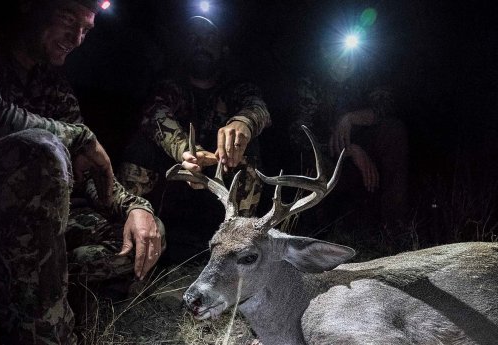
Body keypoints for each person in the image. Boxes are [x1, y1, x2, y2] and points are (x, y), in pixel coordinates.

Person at [0, 0, 165, 343]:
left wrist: (136, 207)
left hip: (40, 228)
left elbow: (87, 170)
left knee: (140, 236)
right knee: (41, 150)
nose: (75, 37)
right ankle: (45, 329)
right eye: (67, 18)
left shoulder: (54, 87)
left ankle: (32, 285)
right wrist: (79, 135)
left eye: (86, 29)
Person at [117, 16, 271, 260]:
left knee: (250, 148)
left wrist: (244, 122)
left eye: (209, 38)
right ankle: (137, 240)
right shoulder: (170, 86)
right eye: (194, 39)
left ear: (223, 49)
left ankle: (238, 246)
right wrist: (187, 154)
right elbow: (155, 113)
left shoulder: (235, 88)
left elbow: (257, 106)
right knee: (141, 146)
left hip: (219, 195)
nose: (201, 44)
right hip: (174, 188)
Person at [287, 30, 410, 239]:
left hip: (367, 161)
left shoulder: (367, 75)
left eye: (350, 54)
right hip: (329, 159)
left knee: (394, 130)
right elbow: (297, 132)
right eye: (337, 54)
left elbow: (388, 105)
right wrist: (349, 151)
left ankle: (394, 227)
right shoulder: (311, 82)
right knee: (307, 164)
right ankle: (314, 231)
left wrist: (351, 117)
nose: (345, 61)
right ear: (325, 52)